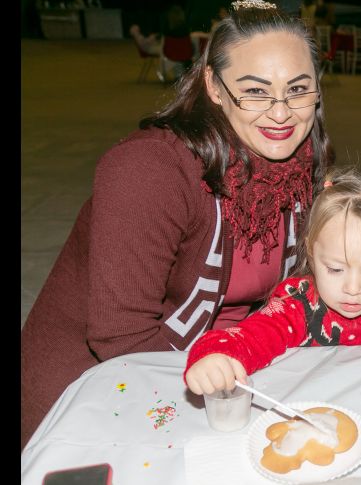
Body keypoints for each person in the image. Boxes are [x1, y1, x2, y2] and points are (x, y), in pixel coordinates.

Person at [21, 1, 335, 449]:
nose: (281, 113)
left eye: (298, 89)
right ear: (214, 86)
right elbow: (121, 336)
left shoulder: (302, 167)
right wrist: (220, 381)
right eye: (255, 91)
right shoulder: (149, 171)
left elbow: (310, 288)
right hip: (95, 391)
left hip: (227, 369)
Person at [184, 166, 361, 395]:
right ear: (310, 249)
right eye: (335, 269)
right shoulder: (296, 305)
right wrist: (214, 356)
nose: (353, 288)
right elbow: (250, 336)